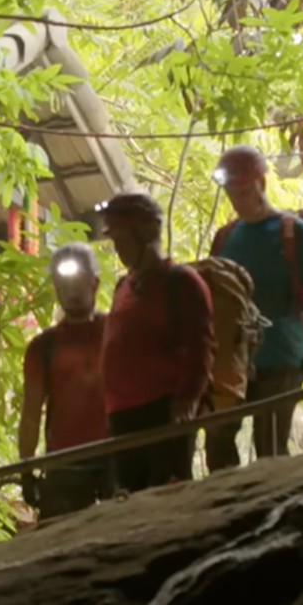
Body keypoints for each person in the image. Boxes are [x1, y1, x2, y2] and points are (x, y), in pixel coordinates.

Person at [204, 145, 303, 468]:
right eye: (230, 192)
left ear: (261, 183)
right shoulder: (225, 238)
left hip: (281, 359)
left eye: (243, 191)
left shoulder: (295, 234)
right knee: (218, 442)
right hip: (233, 361)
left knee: (270, 447)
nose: (236, 200)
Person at [98, 192, 215, 491]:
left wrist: (187, 402)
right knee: (131, 501)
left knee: (166, 499)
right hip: (123, 417)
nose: (118, 249)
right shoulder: (124, 286)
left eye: (122, 239)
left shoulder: (181, 282)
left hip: (163, 414)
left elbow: (200, 349)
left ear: (147, 234)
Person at [18, 242, 112, 518]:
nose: (71, 292)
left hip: (116, 459)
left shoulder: (118, 332)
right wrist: (26, 470)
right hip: (65, 466)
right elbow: (30, 415)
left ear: (94, 283)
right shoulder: (43, 347)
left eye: (77, 283)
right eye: (64, 285)